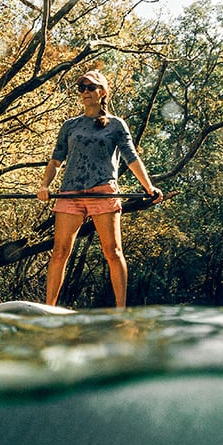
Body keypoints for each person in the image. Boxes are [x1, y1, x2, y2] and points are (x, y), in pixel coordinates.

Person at [37, 69, 164, 308]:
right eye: (81, 88)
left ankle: (121, 311)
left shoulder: (116, 125)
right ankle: (48, 310)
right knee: (59, 253)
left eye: (90, 87)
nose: (85, 92)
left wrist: (148, 187)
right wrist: (45, 186)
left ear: (102, 92)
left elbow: (132, 158)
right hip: (70, 193)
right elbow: (56, 161)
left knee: (113, 252)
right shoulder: (70, 125)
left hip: (103, 191)